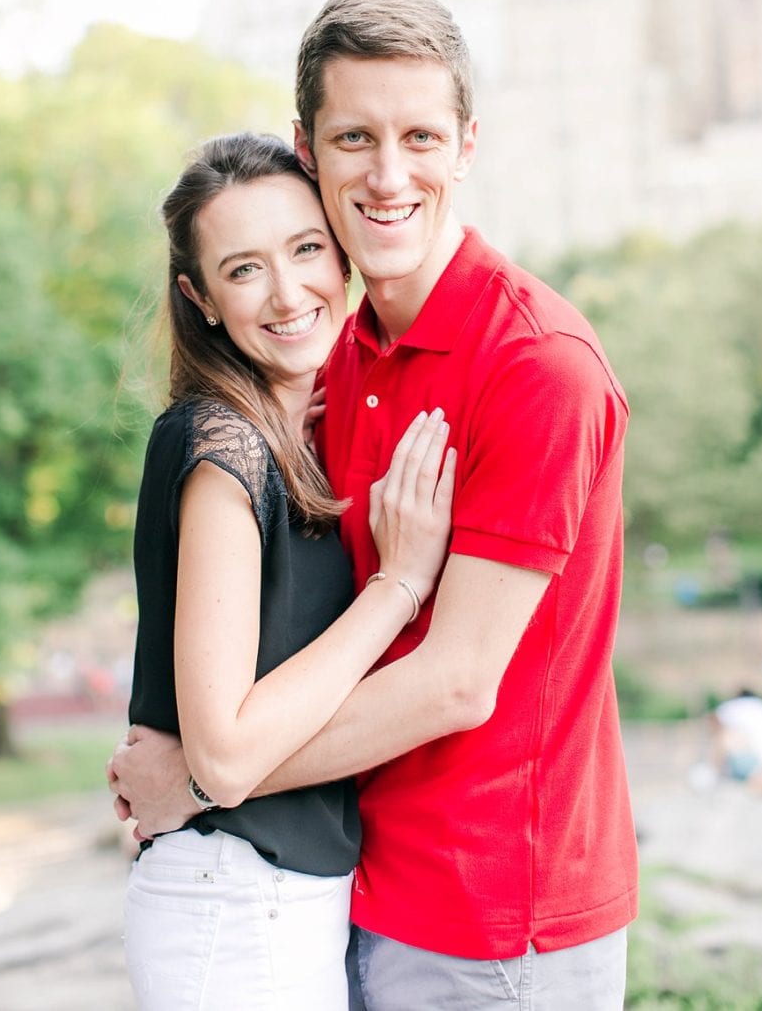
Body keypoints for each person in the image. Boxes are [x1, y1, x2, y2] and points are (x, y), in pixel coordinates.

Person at [110, 0, 638, 1009]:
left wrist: (210, 779)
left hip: (500, 923)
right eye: (355, 138)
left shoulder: (539, 367)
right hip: (355, 893)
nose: (389, 175)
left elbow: (455, 683)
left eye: (420, 136)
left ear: (467, 145)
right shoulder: (336, 363)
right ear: (308, 149)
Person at [121, 131, 458, 1009]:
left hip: (269, 900)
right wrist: (400, 585)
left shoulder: (289, 436)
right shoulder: (220, 443)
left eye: (305, 249)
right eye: (243, 270)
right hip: (236, 907)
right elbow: (225, 754)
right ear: (199, 299)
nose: (287, 292)